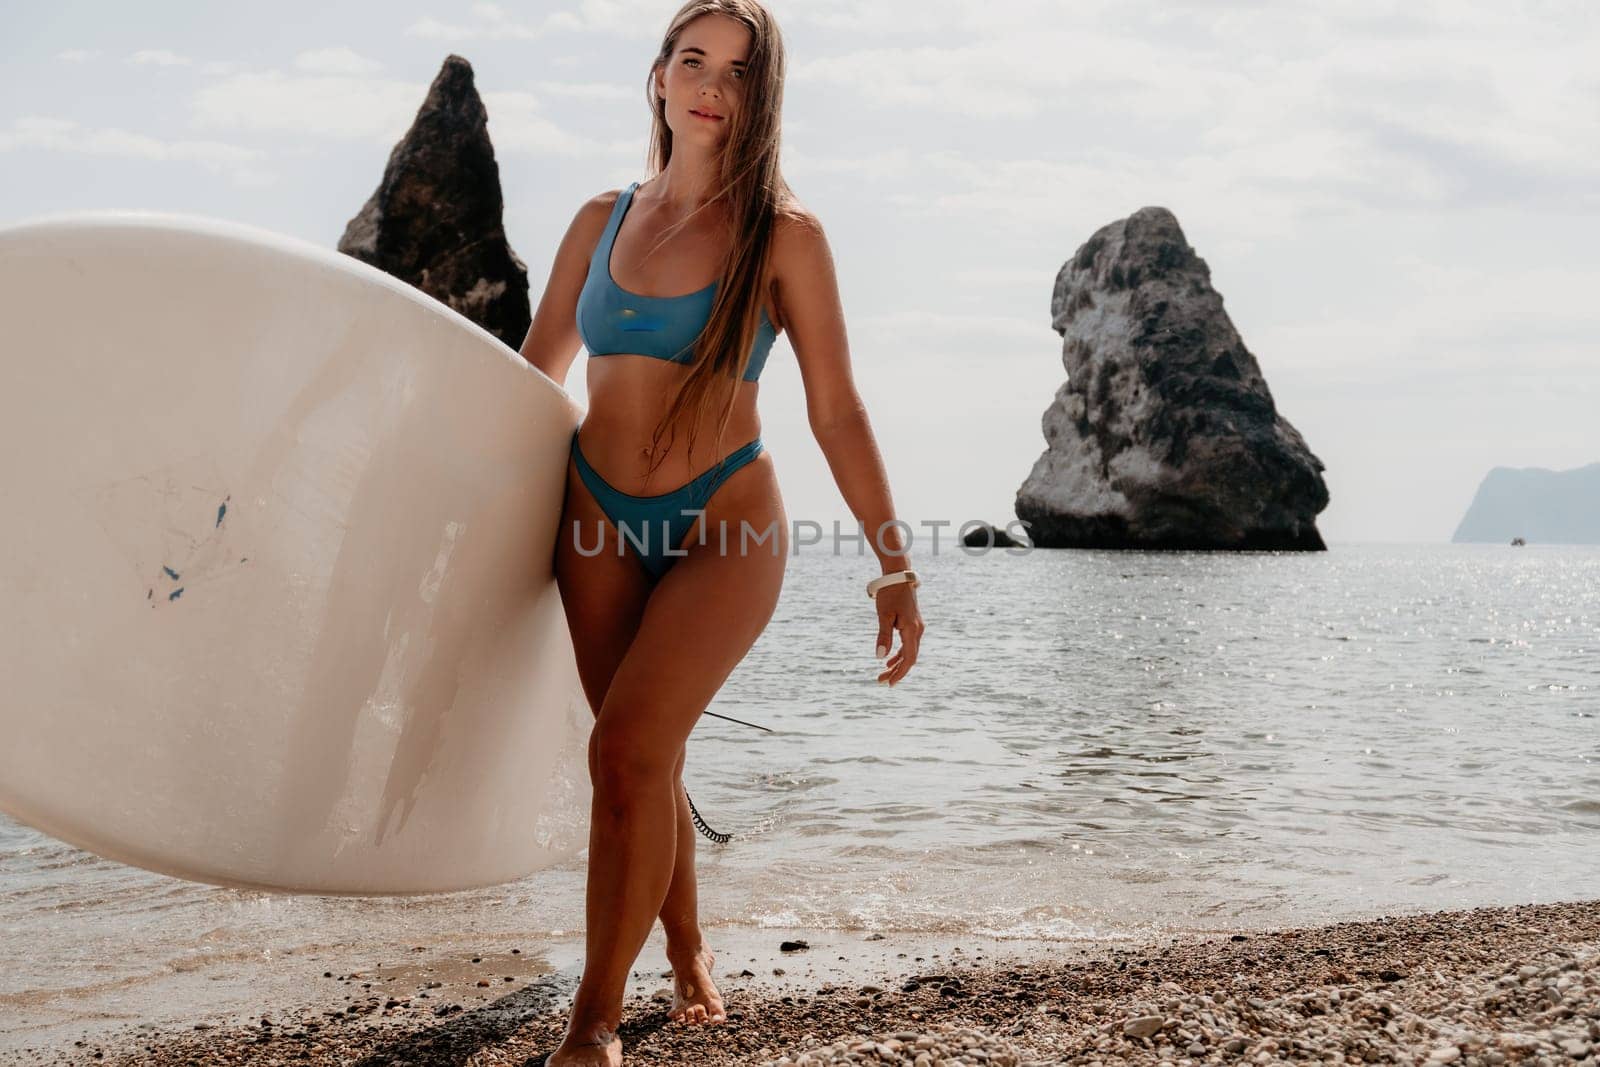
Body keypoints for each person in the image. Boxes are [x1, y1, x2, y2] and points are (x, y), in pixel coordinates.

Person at [518, 2, 924, 1062]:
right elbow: (529, 378)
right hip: (593, 514)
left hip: (723, 525)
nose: (711, 84)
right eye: (692, 60)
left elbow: (835, 407)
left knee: (626, 746)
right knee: (638, 761)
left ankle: (592, 1022)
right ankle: (687, 945)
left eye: (738, 72)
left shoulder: (784, 234)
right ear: (657, 78)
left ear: (762, 95)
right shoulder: (599, 217)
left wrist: (892, 560)